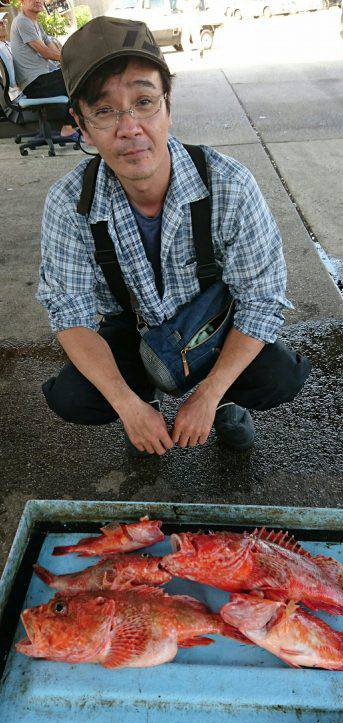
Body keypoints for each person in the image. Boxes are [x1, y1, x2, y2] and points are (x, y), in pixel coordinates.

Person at [38, 16, 311, 456]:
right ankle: (146, 406)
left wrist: (208, 395)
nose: (129, 128)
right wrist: (127, 406)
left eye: (144, 101)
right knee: (71, 395)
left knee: (280, 376)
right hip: (133, 332)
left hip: (211, 329)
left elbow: (262, 300)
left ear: (168, 104)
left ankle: (225, 405)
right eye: (105, 110)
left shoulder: (230, 185)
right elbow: (70, 315)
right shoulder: (68, 203)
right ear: (82, 125)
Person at [10, 0, 76, 137]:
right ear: (22, 2)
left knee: (78, 73)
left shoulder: (36, 24)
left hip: (42, 79)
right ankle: (68, 127)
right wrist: (76, 59)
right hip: (35, 84)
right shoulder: (22, 22)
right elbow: (46, 53)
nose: (38, 1)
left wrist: (70, 56)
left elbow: (55, 51)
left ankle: (73, 124)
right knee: (77, 76)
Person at [0, 11, 16, 89]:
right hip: (12, 93)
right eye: (0, 23)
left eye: (4, 22)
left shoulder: (10, 44)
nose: (4, 25)